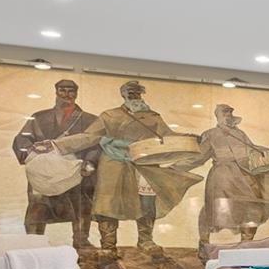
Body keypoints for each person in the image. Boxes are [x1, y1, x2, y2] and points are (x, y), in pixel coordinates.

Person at [44, 80, 200, 256]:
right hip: (113, 165)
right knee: (108, 204)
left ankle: (145, 240)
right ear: (123, 94)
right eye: (131, 93)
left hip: (144, 164)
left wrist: (188, 138)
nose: (135, 96)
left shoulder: (153, 117)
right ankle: (108, 245)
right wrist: (56, 144)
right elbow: (89, 137)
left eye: (138, 93)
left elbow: (168, 136)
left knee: (147, 203)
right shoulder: (109, 116)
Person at [192, 104, 269, 246]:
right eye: (225, 113)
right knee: (215, 208)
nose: (228, 115)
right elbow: (199, 156)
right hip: (222, 177)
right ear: (218, 116)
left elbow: (252, 150)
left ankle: (246, 244)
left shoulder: (240, 134)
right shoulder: (210, 134)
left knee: (252, 207)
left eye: (230, 113)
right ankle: (204, 243)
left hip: (244, 175)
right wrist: (179, 164)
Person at [10, 78, 99, 249]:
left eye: (71, 91)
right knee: (38, 206)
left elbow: (97, 144)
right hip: (45, 172)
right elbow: (22, 139)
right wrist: (32, 153)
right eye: (62, 90)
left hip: (76, 173)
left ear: (76, 93)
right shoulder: (38, 117)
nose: (67, 94)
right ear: (56, 92)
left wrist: (90, 162)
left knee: (81, 206)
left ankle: (81, 240)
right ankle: (33, 242)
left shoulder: (90, 120)